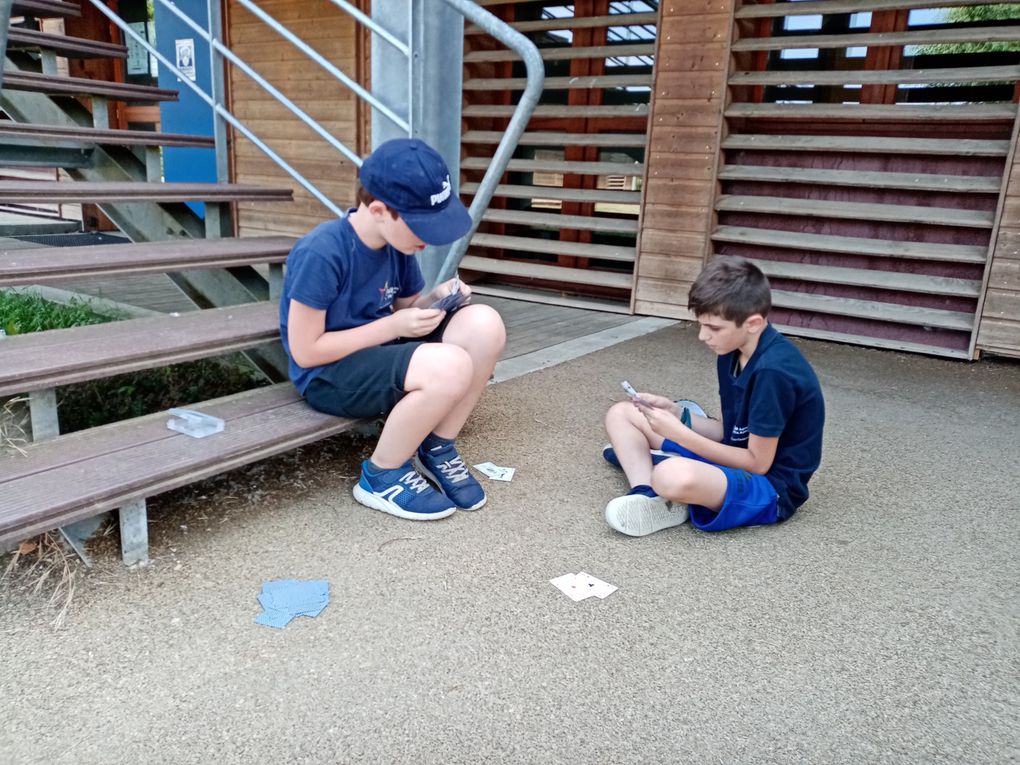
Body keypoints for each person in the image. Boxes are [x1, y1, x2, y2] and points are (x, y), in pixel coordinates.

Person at [279, 138, 506, 522]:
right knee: (449, 365)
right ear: (380, 210)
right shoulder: (323, 251)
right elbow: (306, 352)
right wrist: (394, 325)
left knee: (485, 324)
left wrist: (435, 300)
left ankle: (437, 445)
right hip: (330, 375)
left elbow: (406, 312)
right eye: (422, 225)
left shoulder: (399, 246)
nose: (431, 238)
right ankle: (382, 474)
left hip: (383, 353)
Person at [602, 255, 824, 536]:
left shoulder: (774, 373)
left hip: (770, 487)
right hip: (732, 459)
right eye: (701, 325)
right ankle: (647, 493)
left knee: (671, 476)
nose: (703, 337)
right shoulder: (732, 350)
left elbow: (758, 463)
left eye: (714, 328)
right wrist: (676, 413)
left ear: (753, 323)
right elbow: (729, 432)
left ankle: (659, 467)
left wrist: (681, 435)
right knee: (621, 413)